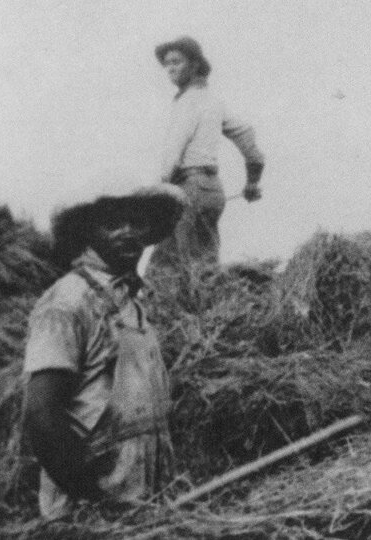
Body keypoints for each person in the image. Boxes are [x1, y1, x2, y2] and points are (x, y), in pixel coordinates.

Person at [22, 184, 187, 520]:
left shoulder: (132, 303)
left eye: (137, 221)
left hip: (142, 507)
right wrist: (96, 503)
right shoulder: (69, 302)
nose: (127, 232)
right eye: (112, 223)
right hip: (89, 516)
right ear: (87, 230)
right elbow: (41, 417)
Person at [150, 36, 265, 271]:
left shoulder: (188, 101)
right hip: (210, 192)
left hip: (188, 190)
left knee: (195, 271)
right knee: (164, 265)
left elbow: (173, 150)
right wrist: (252, 183)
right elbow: (247, 136)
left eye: (177, 61)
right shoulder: (213, 101)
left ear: (194, 65)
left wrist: (160, 189)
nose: (170, 68)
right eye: (167, 63)